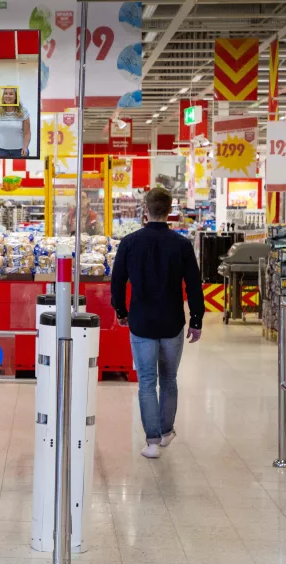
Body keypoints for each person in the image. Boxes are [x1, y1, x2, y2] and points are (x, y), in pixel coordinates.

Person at [110, 188, 204, 459]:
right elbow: (194, 285)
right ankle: (166, 432)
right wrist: (196, 319)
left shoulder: (129, 242)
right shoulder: (182, 245)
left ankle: (151, 442)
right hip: (172, 321)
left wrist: (121, 310)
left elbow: (117, 281)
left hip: (141, 321)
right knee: (169, 379)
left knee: (147, 382)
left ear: (145, 210)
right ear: (170, 210)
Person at [0, 87, 31, 157]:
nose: (8, 96)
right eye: (5, 93)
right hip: (1, 151)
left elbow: (27, 133)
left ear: (15, 97)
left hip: (19, 151)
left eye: (11, 94)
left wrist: (25, 147)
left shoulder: (23, 112)